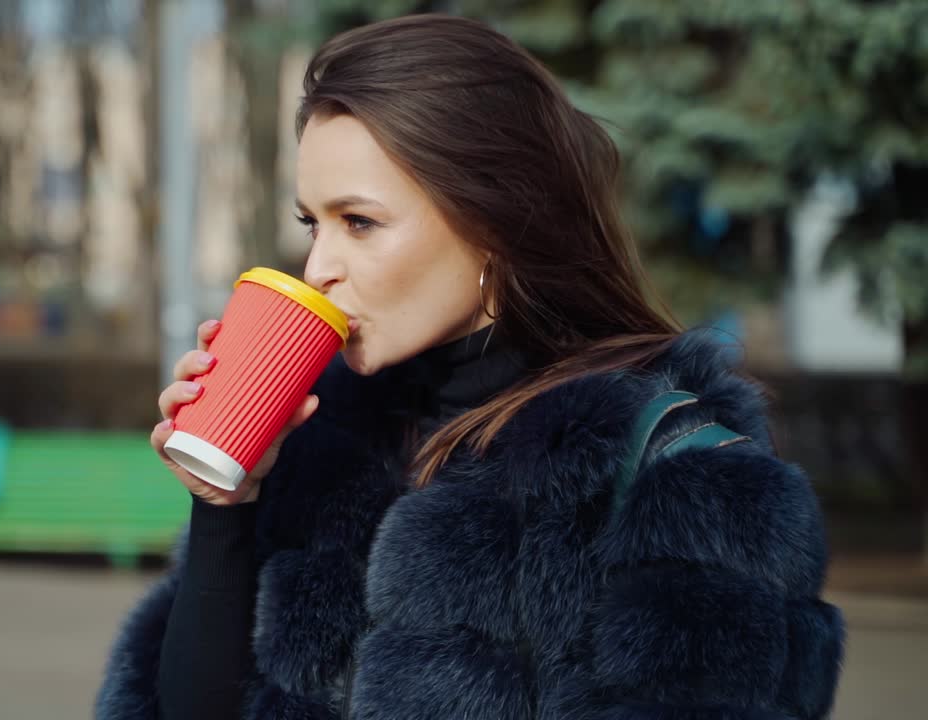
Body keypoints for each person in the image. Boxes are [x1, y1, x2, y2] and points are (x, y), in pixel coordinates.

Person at [96, 14, 843, 720]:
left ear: (492, 222)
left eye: (359, 222)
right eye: (311, 223)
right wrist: (227, 502)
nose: (317, 266)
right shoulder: (321, 441)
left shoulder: (685, 479)